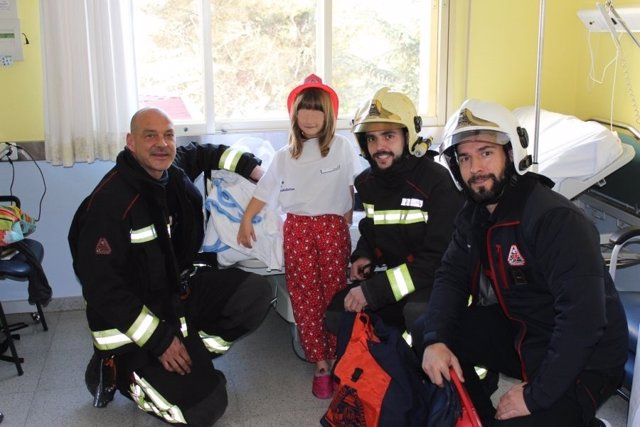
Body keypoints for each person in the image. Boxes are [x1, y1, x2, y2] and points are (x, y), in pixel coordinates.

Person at [416, 99, 628, 427]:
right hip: (523, 331)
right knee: (426, 330)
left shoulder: (554, 218)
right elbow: (451, 277)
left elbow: (582, 321)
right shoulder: (473, 216)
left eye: (486, 153)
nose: (475, 169)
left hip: (587, 358)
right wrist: (435, 340)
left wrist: (534, 396)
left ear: (511, 155)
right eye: (465, 158)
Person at [68, 107, 272, 426]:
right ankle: (116, 370)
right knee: (205, 408)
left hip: (173, 302)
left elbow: (205, 153)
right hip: (130, 329)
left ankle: (193, 357)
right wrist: (160, 341)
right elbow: (102, 289)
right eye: (150, 135)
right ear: (130, 143)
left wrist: (253, 169)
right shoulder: (110, 205)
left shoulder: (169, 172)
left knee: (255, 293)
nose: (162, 143)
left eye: (168, 135)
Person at [237, 74, 360, 400]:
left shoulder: (342, 148)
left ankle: (338, 359)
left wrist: (349, 213)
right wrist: (246, 218)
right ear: (294, 115)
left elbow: (353, 186)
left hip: (332, 230)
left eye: (316, 111)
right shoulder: (284, 155)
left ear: (329, 116)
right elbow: (265, 191)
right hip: (299, 229)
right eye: (302, 110)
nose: (308, 118)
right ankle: (320, 362)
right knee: (305, 296)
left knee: (335, 293)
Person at [325, 87, 464, 335]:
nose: (379, 147)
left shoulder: (437, 181)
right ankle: (390, 359)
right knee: (337, 313)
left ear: (407, 136)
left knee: (418, 314)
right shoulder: (366, 183)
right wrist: (364, 255)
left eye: (388, 136)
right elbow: (372, 229)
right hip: (398, 281)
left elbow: (437, 261)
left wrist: (374, 291)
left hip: (436, 281)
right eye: (371, 138)